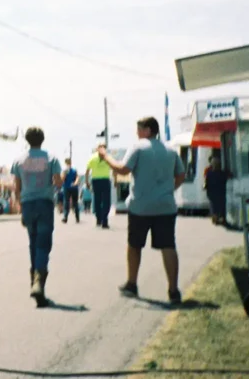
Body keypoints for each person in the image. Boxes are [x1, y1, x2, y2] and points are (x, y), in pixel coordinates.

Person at [98, 117, 186, 305]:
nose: (137, 134)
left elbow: (122, 170)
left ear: (147, 130)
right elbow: (181, 175)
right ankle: (173, 290)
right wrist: (169, 190)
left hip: (141, 207)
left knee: (135, 245)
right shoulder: (171, 150)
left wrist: (105, 156)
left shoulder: (138, 147)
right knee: (168, 246)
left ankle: (132, 283)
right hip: (165, 206)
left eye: (138, 130)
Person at [11, 126, 62, 307]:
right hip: (44, 203)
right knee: (43, 243)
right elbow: (57, 182)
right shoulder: (51, 158)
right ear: (43, 139)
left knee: (33, 242)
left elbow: (16, 187)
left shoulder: (19, 161)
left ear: (27, 140)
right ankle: (39, 283)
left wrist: (19, 206)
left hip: (28, 205)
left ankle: (34, 283)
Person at [85, 144, 113, 229]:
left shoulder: (105, 157)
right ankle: (101, 219)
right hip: (100, 180)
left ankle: (102, 219)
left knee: (101, 201)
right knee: (102, 201)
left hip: (100, 180)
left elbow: (87, 171)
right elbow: (87, 170)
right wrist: (87, 181)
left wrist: (87, 181)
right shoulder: (97, 158)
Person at [204, 154, 228, 226]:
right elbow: (225, 180)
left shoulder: (209, 173)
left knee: (214, 206)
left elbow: (206, 183)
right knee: (221, 205)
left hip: (212, 193)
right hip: (220, 192)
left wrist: (207, 190)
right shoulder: (222, 173)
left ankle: (215, 218)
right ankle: (221, 218)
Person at [61, 158, 80, 224]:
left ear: (65, 163)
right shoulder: (74, 170)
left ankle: (65, 217)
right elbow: (77, 178)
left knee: (66, 202)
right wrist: (75, 183)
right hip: (74, 188)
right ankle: (77, 217)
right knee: (75, 202)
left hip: (67, 188)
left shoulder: (65, 170)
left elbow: (62, 178)